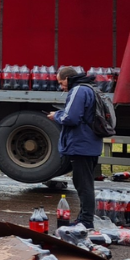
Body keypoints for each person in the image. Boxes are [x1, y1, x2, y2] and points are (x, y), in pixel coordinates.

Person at [49, 66, 103, 229]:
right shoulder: (89, 88)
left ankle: (86, 221)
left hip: (81, 144)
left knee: (83, 184)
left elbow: (70, 117)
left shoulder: (78, 90)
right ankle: (83, 218)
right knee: (84, 182)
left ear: (67, 79)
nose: (61, 87)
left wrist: (55, 116)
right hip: (89, 143)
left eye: (61, 82)